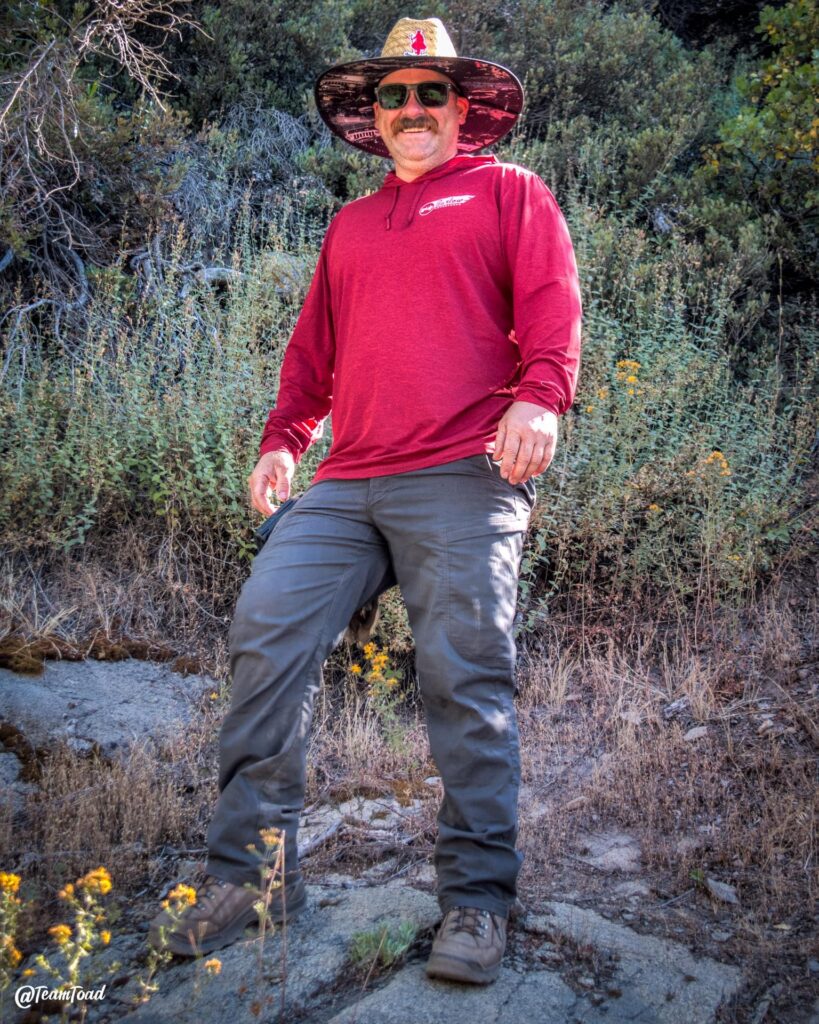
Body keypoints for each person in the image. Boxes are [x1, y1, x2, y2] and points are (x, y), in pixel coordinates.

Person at [149, 16, 581, 986]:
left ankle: (475, 902)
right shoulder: (349, 227)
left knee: (464, 675)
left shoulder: (511, 193)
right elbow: (314, 356)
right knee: (266, 630)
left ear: (462, 109)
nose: (414, 108)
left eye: (432, 92)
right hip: (349, 481)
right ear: (373, 117)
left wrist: (542, 398)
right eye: (395, 94)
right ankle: (253, 880)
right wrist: (280, 440)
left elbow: (554, 301)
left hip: (464, 476)